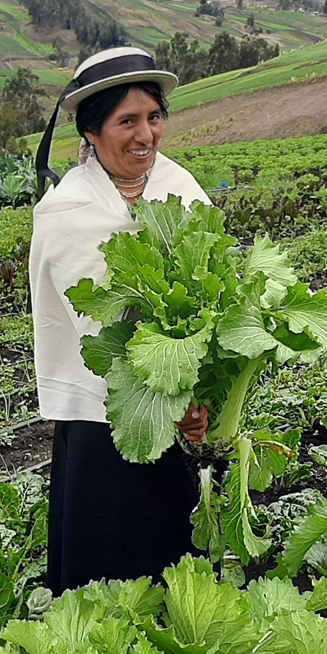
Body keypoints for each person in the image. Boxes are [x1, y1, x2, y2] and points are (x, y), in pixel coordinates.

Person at [31, 47, 212, 594]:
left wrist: (198, 394)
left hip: (178, 401)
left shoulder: (177, 184)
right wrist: (169, 404)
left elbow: (212, 291)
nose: (146, 136)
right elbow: (99, 331)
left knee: (175, 563)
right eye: (126, 121)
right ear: (91, 131)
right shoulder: (68, 213)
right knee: (111, 557)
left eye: (154, 118)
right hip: (105, 413)